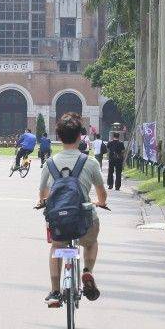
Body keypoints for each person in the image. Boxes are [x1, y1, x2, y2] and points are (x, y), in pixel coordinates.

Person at [38, 113, 107, 307]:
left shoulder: (49, 163)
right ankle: (87, 270)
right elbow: (102, 194)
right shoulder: (90, 162)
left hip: (59, 220)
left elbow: (42, 196)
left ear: (59, 137)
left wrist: (43, 202)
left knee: (56, 247)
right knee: (91, 243)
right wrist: (99, 202)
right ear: (79, 137)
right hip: (85, 219)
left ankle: (55, 291)